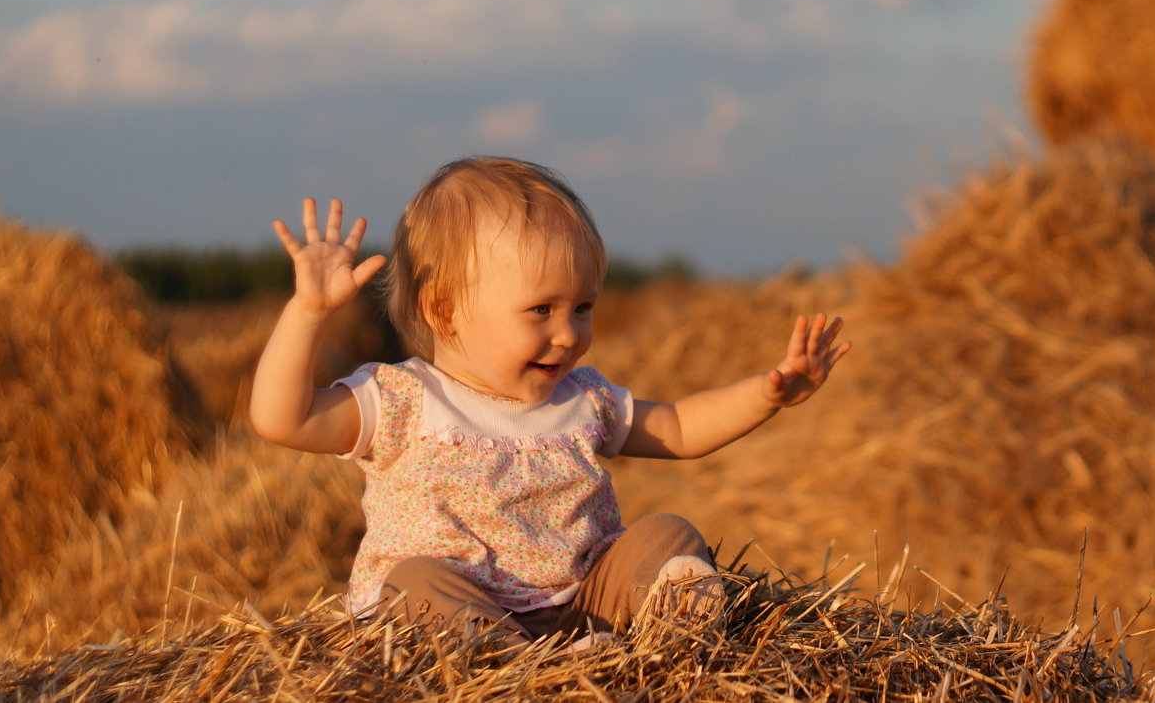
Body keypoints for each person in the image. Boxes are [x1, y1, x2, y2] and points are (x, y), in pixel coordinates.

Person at [249, 157, 850, 651]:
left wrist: (768, 392)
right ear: (445, 309)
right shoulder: (405, 401)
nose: (568, 334)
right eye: (541, 310)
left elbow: (682, 427)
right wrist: (308, 315)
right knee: (412, 585)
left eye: (582, 308)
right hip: (465, 614)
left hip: (584, 609)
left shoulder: (582, 399)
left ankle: (667, 649)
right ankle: (516, 670)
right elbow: (283, 419)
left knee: (668, 535)